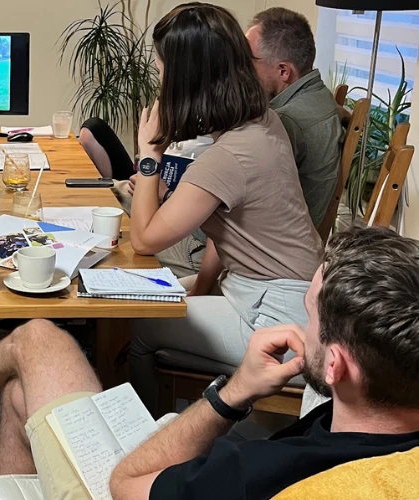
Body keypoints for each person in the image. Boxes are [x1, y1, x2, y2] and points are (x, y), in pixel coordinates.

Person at [0, 226, 419, 500]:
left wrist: (233, 393)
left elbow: (125, 483)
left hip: (127, 485)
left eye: (309, 316)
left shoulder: (256, 472)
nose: (299, 324)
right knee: (20, 394)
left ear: (335, 367)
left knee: (38, 337)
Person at [131, 3, 325, 413]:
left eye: (162, 69)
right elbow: (230, 228)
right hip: (285, 295)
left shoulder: (229, 155)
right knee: (144, 293)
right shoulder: (261, 121)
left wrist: (149, 153)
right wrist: (203, 288)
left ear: (184, 78)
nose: (160, 80)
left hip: (275, 318)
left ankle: (150, 434)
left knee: (139, 322)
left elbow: (144, 240)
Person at [246, 7, 344, 227]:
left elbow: (243, 190)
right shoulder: (318, 95)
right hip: (297, 229)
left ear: (283, 71)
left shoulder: (287, 121)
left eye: (249, 63)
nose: (243, 72)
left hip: (275, 237)